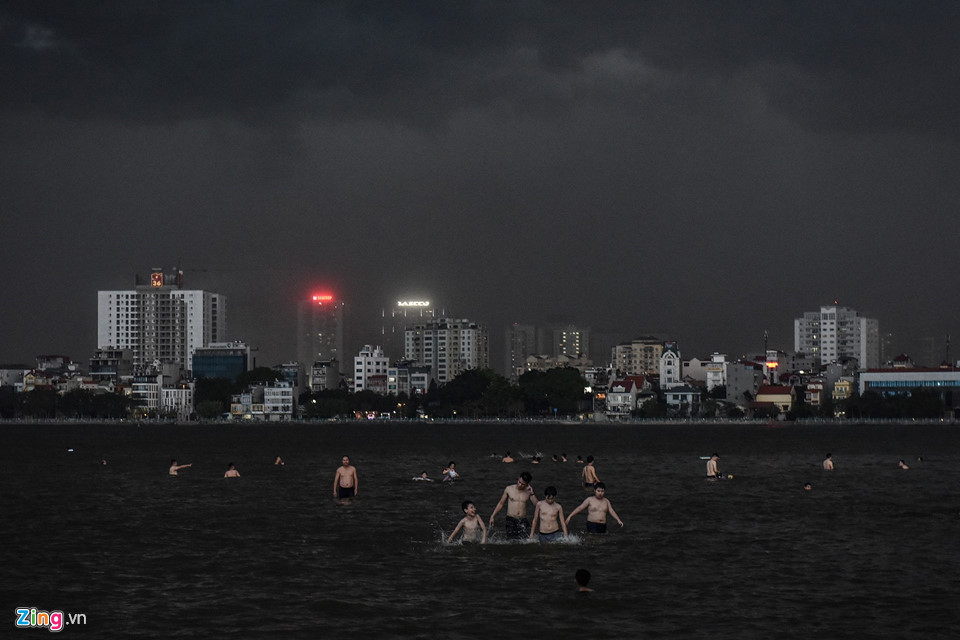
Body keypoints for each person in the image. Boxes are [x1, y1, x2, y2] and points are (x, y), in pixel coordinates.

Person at [489, 472, 538, 539]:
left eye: (523, 484)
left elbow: (537, 505)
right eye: (519, 482)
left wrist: (532, 493)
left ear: (527, 484)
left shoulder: (528, 492)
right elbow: (501, 503)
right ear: (518, 479)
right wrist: (493, 516)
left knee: (526, 539)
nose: (520, 484)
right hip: (511, 519)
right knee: (511, 540)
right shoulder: (509, 489)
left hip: (522, 520)